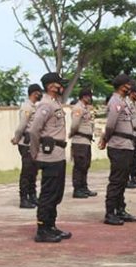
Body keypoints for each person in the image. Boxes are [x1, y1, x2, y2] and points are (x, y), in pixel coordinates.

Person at [27, 73, 72, 243]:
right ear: (51, 86)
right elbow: (33, 130)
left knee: (56, 193)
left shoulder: (54, 103)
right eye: (59, 84)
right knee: (48, 194)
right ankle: (42, 229)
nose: (62, 87)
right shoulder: (45, 105)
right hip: (49, 156)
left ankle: (51, 225)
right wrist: (34, 153)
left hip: (58, 154)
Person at [100, 74, 136, 226]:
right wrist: (105, 139)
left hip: (127, 145)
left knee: (123, 180)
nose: (131, 86)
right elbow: (110, 125)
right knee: (117, 180)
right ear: (123, 86)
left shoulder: (124, 101)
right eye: (128, 84)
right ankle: (110, 212)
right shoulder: (116, 101)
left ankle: (120, 209)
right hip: (118, 145)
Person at [11, 84, 43, 209]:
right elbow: (22, 126)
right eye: (39, 93)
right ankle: (23, 199)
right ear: (34, 93)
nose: (41, 95)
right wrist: (17, 138)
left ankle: (33, 196)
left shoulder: (35, 106)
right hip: (26, 143)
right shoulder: (27, 107)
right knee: (27, 172)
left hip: (34, 143)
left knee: (33, 171)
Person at [69, 87, 98, 199]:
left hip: (86, 141)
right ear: (84, 96)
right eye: (89, 96)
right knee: (79, 165)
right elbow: (75, 125)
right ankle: (77, 189)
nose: (90, 98)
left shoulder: (85, 108)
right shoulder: (78, 108)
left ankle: (84, 187)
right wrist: (72, 133)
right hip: (79, 140)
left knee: (85, 165)